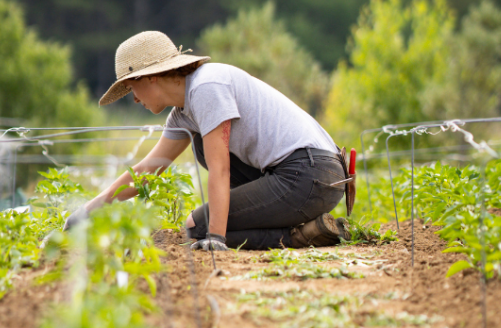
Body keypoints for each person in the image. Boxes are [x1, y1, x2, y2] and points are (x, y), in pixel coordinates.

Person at [65, 31, 350, 250]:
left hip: (307, 174)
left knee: (196, 226)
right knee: (200, 163)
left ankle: (299, 236)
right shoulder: (184, 113)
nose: (134, 98)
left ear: (151, 77)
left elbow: (220, 168)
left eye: (132, 86)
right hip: (314, 175)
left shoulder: (206, 88)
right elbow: (147, 170)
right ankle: (310, 227)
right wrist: (91, 208)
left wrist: (215, 236)